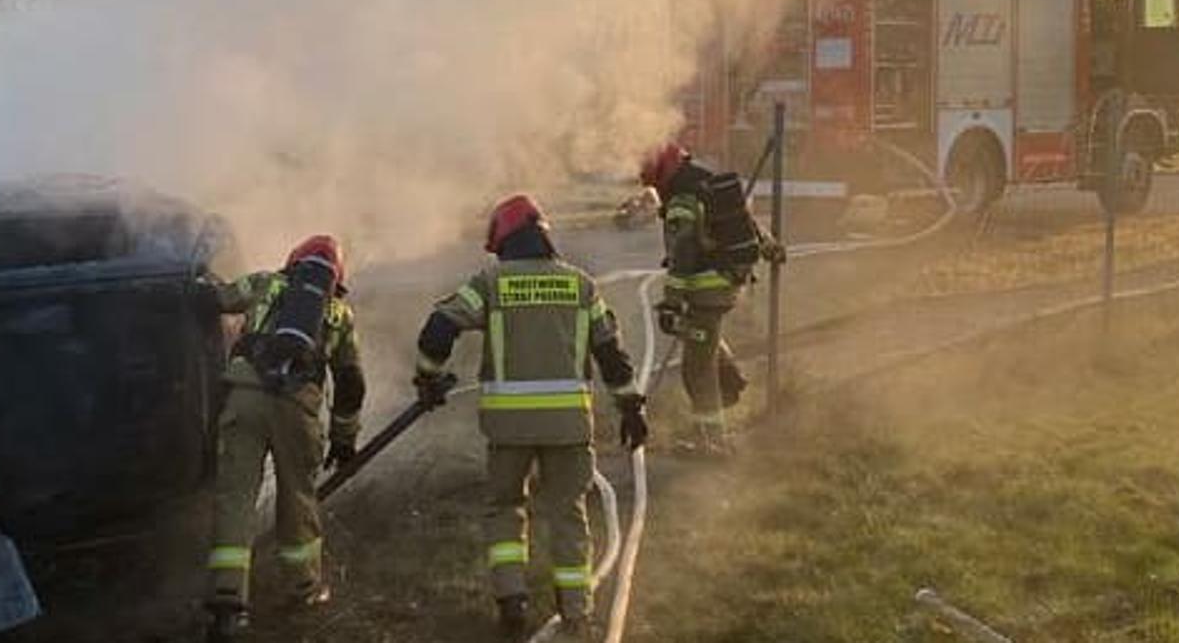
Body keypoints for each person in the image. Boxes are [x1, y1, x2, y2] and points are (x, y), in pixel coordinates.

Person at [413, 195, 646, 639]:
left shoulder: (490, 283)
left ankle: (512, 600)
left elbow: (440, 326)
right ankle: (577, 611)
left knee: (504, 508)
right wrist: (631, 406)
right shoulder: (581, 286)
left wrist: (428, 377)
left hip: (509, 428)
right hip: (568, 427)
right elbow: (612, 355)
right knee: (568, 513)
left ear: (505, 239)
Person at [201, 235, 367, 642]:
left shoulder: (264, 283)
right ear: (337, 278)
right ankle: (304, 589)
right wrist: (344, 439)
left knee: (236, 495)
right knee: (298, 498)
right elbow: (350, 381)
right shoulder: (339, 313)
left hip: (245, 400)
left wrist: (196, 279)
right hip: (297, 410)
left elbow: (218, 298)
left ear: (293, 262)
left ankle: (228, 600)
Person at [637, 142, 784, 457]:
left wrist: (672, 302)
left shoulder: (681, 199)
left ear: (663, 173)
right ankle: (731, 383)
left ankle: (713, 442)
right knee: (703, 338)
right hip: (727, 280)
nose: (657, 190)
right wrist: (771, 247)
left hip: (706, 289)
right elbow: (745, 221)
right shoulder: (709, 182)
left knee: (696, 369)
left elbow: (683, 256)